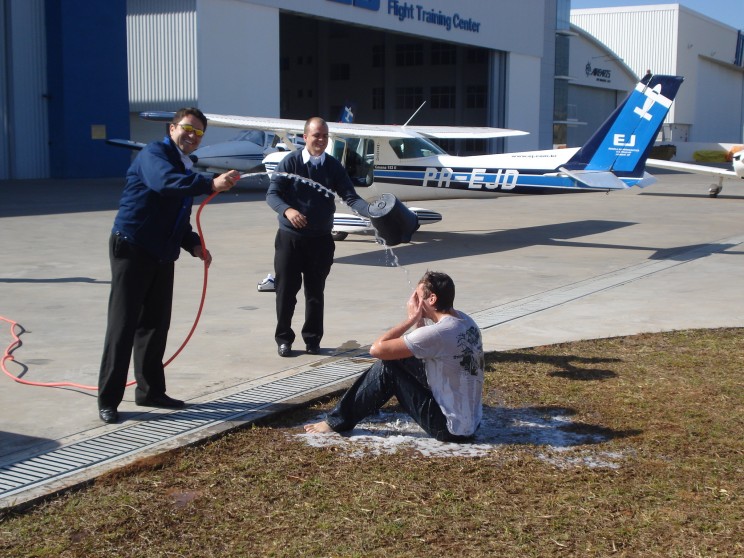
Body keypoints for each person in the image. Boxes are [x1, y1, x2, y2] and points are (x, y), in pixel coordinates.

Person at [97, 108, 240, 424]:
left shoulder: (185, 164)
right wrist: (210, 183)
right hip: (132, 246)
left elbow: (177, 216)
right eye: (188, 128)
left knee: (155, 324)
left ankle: (150, 391)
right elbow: (166, 184)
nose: (192, 135)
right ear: (172, 127)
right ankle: (108, 399)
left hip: (161, 251)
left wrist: (193, 245)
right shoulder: (155, 153)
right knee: (123, 326)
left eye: (199, 132)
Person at [304, 271, 485, 442]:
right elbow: (424, 344)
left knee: (387, 368)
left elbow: (376, 349)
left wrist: (411, 319)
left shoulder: (439, 332)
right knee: (402, 356)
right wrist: (420, 321)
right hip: (470, 424)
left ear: (432, 299)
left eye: (417, 296)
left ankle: (336, 421)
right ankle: (365, 401)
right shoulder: (465, 321)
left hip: (448, 429)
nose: (414, 300)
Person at [266, 116, 371, 357]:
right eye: (316, 135)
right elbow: (272, 194)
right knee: (285, 292)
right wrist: (288, 210)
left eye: (325, 136)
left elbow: (350, 197)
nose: (321, 140)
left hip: (321, 240)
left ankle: (312, 339)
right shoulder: (290, 162)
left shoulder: (333, 166)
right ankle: (284, 339)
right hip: (290, 239)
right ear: (305, 137)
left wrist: (371, 211)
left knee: (315, 293)